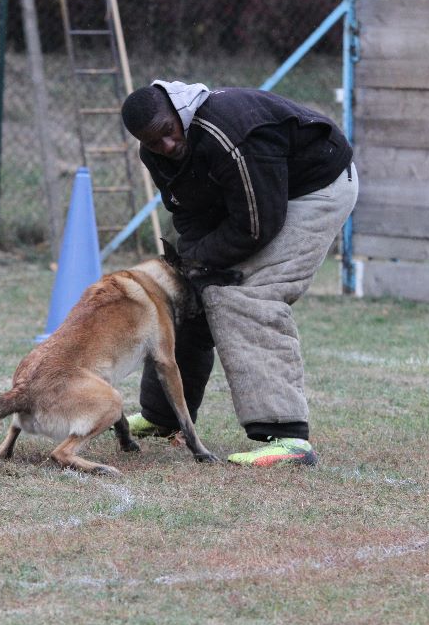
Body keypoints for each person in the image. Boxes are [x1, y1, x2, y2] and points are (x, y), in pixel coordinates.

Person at [120, 80, 357, 466]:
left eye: (167, 132)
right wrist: (190, 268)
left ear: (178, 115)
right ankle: (164, 418)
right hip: (259, 201)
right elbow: (190, 212)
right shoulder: (158, 152)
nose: (165, 146)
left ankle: (287, 438)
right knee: (188, 291)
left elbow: (257, 225)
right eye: (152, 142)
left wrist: (201, 261)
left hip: (314, 189)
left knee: (245, 293)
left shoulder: (229, 132)